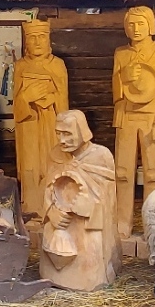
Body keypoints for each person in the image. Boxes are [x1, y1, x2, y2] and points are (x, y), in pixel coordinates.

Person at [40, 110, 121, 291]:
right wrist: (51, 211)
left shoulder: (101, 156)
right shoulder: (55, 154)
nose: (62, 140)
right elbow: (46, 188)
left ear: (82, 131)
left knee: (90, 251)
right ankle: (53, 276)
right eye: (58, 133)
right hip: (60, 221)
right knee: (52, 235)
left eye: (67, 134)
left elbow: (109, 199)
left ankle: (90, 279)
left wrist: (91, 208)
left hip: (89, 224)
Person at [112, 6, 155, 240]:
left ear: (150, 26)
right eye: (131, 24)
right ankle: (122, 223)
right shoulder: (121, 54)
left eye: (141, 24)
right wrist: (123, 78)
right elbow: (116, 90)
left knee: (153, 174)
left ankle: (153, 226)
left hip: (152, 119)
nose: (136, 29)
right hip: (126, 118)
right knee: (122, 173)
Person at [13, 19, 69, 214]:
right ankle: (31, 208)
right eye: (32, 37)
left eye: (42, 37)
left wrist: (52, 98)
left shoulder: (58, 65)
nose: (37, 42)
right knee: (30, 166)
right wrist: (26, 98)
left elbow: (63, 100)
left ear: (48, 39)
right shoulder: (20, 66)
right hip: (29, 123)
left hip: (52, 122)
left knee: (52, 162)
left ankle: (54, 207)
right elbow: (16, 103)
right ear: (26, 41)